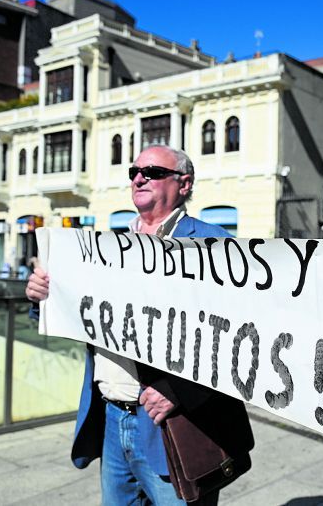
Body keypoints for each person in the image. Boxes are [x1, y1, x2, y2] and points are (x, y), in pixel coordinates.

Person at [26, 145, 254, 505]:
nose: (139, 177)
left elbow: (237, 338)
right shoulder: (107, 246)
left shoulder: (213, 243)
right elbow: (78, 314)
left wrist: (178, 391)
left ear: (183, 183)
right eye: (134, 171)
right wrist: (43, 298)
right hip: (111, 417)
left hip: (172, 425)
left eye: (153, 171)